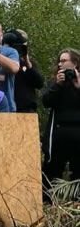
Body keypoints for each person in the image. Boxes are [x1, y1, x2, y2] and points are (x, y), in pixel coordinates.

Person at [42, 48, 80, 188]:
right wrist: (58, 85)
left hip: (77, 134)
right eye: (59, 61)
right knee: (52, 170)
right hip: (58, 134)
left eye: (64, 61)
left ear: (75, 63)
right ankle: (48, 202)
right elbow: (46, 102)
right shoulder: (56, 82)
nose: (60, 64)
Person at [8, 29, 45, 113]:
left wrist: (28, 66)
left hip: (26, 110)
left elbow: (39, 84)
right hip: (7, 108)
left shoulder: (28, 63)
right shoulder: (3, 61)